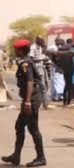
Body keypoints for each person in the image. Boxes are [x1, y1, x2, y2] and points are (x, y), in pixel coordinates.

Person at [1, 39, 46, 167]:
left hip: (31, 99)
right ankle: (16, 156)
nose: (15, 51)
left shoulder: (25, 63)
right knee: (24, 127)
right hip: (31, 98)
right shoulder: (26, 61)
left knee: (29, 128)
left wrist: (27, 102)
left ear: (20, 50)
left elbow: (30, 82)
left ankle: (40, 157)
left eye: (16, 49)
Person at [29, 36, 53, 110]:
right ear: (38, 40)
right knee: (41, 87)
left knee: (45, 85)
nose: (43, 42)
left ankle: (45, 102)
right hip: (35, 70)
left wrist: (44, 60)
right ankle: (44, 104)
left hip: (41, 69)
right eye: (42, 41)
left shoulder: (39, 47)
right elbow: (31, 59)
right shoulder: (33, 48)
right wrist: (41, 59)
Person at [60, 39, 74, 106]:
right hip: (71, 69)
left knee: (66, 85)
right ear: (71, 42)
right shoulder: (71, 49)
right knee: (70, 85)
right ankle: (69, 101)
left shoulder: (62, 49)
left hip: (64, 69)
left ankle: (64, 101)